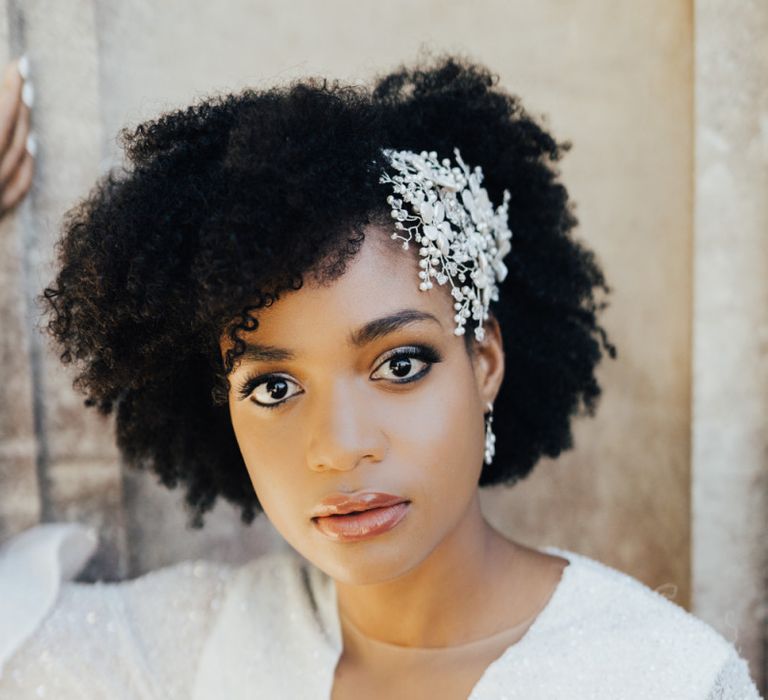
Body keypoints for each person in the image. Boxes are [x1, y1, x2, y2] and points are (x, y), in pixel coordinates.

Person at [0, 54, 761, 699]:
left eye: (399, 364)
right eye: (273, 388)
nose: (340, 445)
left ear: (484, 362)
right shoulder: (187, 650)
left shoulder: (662, 681)